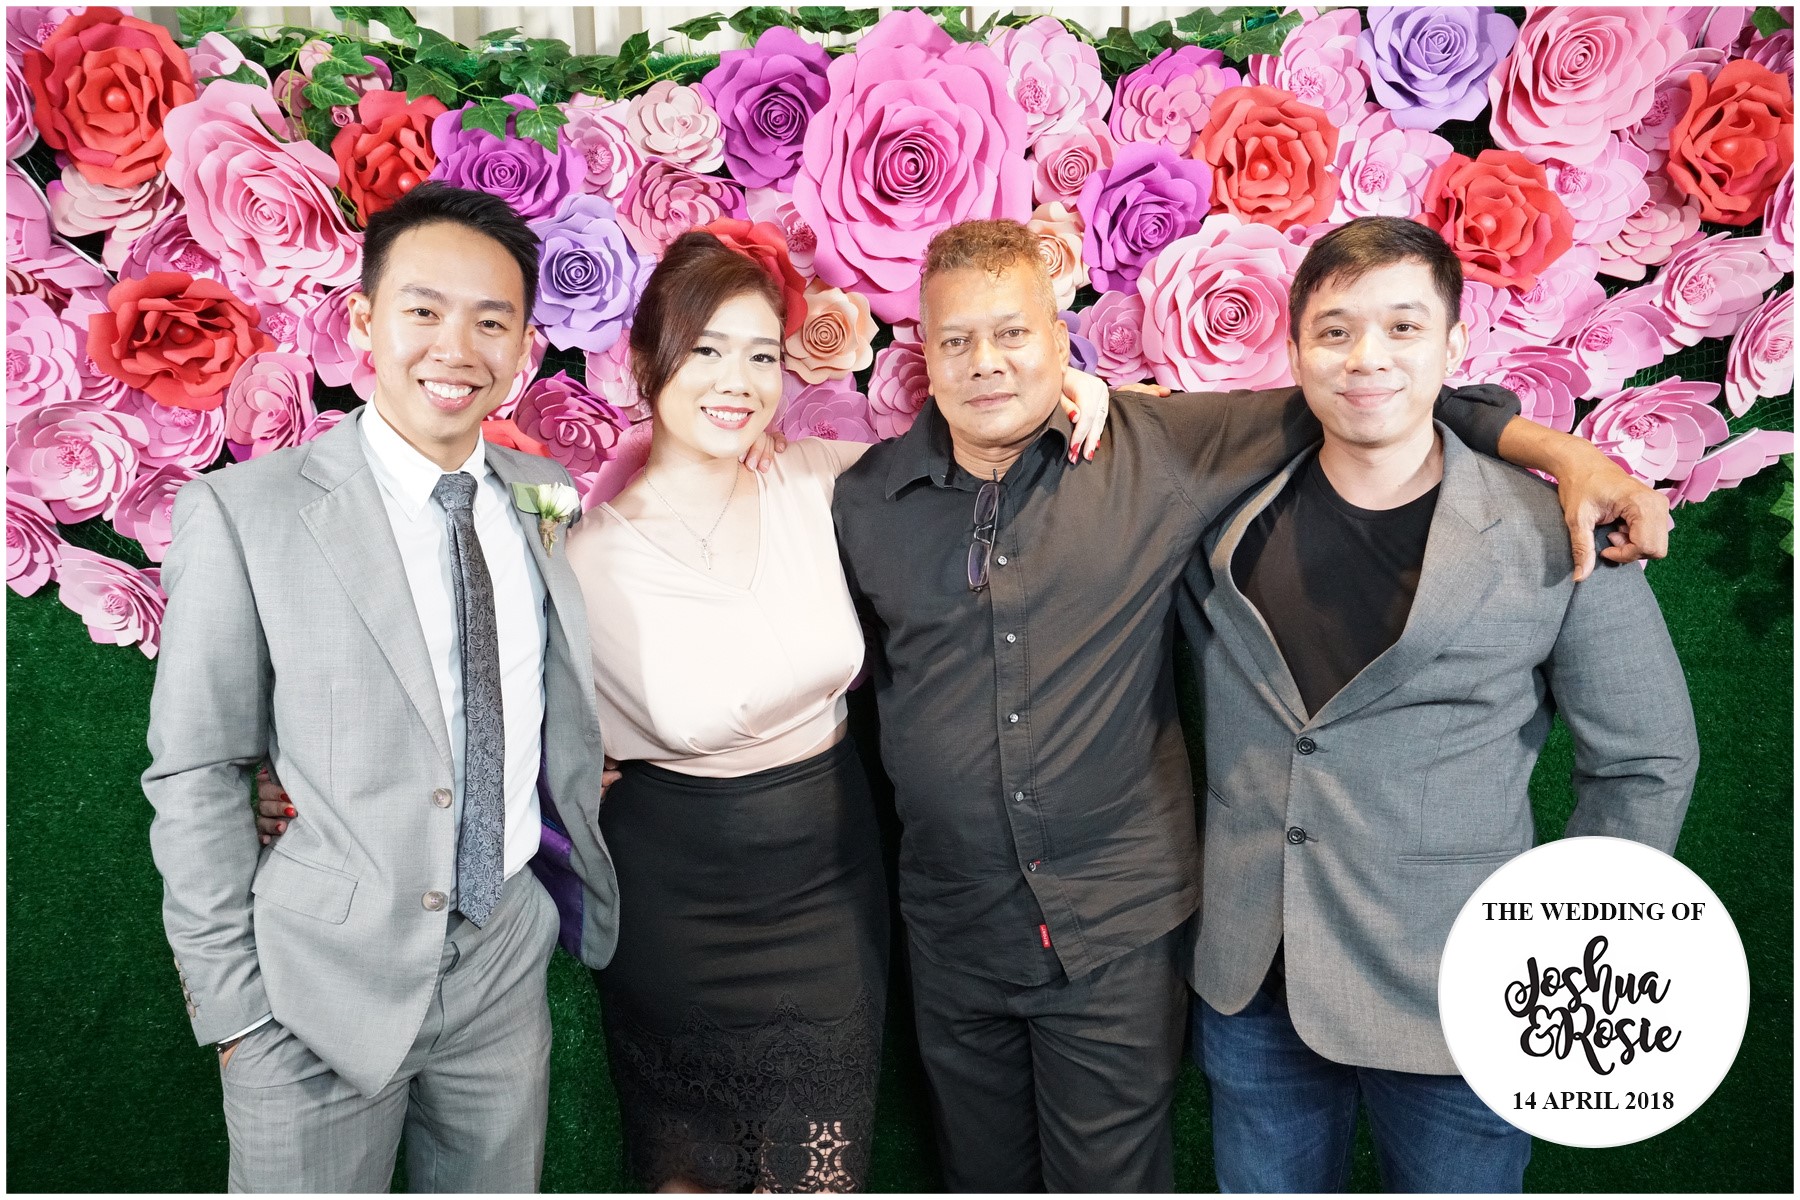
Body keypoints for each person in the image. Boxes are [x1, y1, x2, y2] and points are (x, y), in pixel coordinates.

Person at [827, 219, 1671, 1192]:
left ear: (1061, 340)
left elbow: (1645, 761)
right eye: (956, 340)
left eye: (1013, 332)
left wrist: (1564, 451)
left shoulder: (1167, 452)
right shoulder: (871, 499)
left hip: (1421, 981)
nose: (986, 361)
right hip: (1190, 969)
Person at [256, 228, 1105, 1191]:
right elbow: (460, 693)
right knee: (687, 1172)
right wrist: (307, 787)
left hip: (832, 896)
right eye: (707, 351)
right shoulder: (577, 555)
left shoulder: (827, 480)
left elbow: (974, 452)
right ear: (647, 361)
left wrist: (1074, 393)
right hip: (674, 908)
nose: (736, 382)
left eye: (761, 356)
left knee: (817, 1173)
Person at [1180, 217, 1699, 1193]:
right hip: (1255, 984)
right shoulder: (1221, 514)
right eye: (1335, 331)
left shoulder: (1560, 530)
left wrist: (1564, 948)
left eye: (1404, 327)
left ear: (1456, 345)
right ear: (1294, 350)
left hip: (1462, 995)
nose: (1367, 356)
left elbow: (1645, 761)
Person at [143, 182, 620, 1191]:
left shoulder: (544, 496)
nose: (456, 347)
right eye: (423, 310)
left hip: (502, 958)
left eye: (490, 320)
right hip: (315, 984)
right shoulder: (245, 514)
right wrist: (237, 1010)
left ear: (524, 345)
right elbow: (197, 769)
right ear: (363, 321)